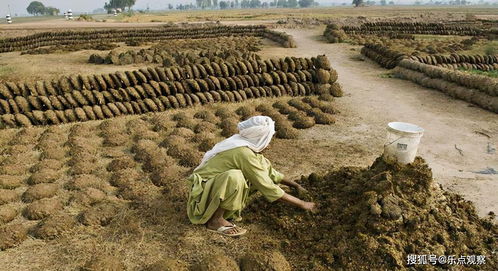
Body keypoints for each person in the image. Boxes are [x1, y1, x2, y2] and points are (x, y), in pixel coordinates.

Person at [186, 115, 316, 237]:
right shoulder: (243, 152)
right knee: (235, 177)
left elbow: (269, 172)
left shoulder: (245, 145)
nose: (269, 143)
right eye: (268, 138)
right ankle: (215, 221)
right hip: (203, 195)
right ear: (260, 138)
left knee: (254, 169)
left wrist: (296, 185)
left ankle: (224, 211)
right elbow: (267, 187)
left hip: (215, 187)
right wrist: (303, 204)